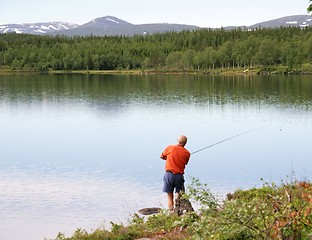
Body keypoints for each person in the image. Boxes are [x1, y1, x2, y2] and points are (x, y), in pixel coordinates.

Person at [160, 135, 191, 211]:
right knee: (180, 195)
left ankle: (171, 211)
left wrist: (169, 158)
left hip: (169, 175)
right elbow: (186, 163)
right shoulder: (187, 153)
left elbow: (161, 156)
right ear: (185, 143)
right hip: (179, 176)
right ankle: (179, 211)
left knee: (170, 196)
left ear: (178, 141)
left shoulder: (170, 147)